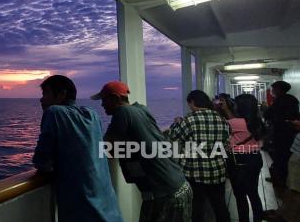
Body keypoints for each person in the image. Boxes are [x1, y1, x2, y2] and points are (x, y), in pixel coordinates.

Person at [91, 81, 192, 222]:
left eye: (104, 100)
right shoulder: (141, 109)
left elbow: (105, 147)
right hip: (179, 185)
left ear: (115, 98)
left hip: (165, 194)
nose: (102, 105)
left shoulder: (122, 112)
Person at [33, 75, 123, 222]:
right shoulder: (92, 115)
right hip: (110, 211)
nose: (41, 99)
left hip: (84, 213)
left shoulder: (54, 112)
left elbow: (42, 162)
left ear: (61, 94)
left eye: (46, 94)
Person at [167, 90, 230, 222]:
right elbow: (226, 142)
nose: (189, 107)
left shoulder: (189, 120)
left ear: (193, 102)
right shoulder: (221, 119)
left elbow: (173, 136)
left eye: (189, 104)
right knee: (220, 205)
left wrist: (177, 122)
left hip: (194, 172)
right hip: (217, 170)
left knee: (197, 207)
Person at [219, 93, 264, 222]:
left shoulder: (233, 123)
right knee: (253, 193)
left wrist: (224, 108)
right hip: (255, 158)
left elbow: (220, 125)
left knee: (240, 196)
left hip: (238, 160)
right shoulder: (257, 122)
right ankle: (258, 218)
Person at [263, 81, 300, 186]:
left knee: (279, 155)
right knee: (286, 155)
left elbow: (268, 114)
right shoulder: (293, 100)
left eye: (273, 89)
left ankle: (281, 179)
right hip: (291, 132)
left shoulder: (279, 100)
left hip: (280, 133)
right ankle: (287, 178)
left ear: (279, 90)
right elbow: (295, 115)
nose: (272, 91)